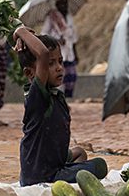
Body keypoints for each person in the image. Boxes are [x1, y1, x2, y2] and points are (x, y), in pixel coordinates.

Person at [13, 26, 107, 186]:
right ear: (30, 74)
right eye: (50, 64)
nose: (59, 67)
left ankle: (70, 177)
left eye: (60, 61)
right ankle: (66, 179)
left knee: (79, 152)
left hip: (54, 162)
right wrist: (20, 31)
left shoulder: (55, 95)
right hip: (41, 176)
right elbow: (41, 54)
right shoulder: (37, 97)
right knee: (100, 166)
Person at [41, 0, 79, 98]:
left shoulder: (69, 17)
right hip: (57, 52)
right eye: (61, 4)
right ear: (57, 5)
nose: (64, 6)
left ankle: (67, 99)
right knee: (59, 78)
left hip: (69, 52)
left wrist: (76, 53)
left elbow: (74, 36)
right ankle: (58, 100)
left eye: (65, 3)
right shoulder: (51, 17)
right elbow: (43, 34)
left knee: (72, 77)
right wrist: (56, 40)